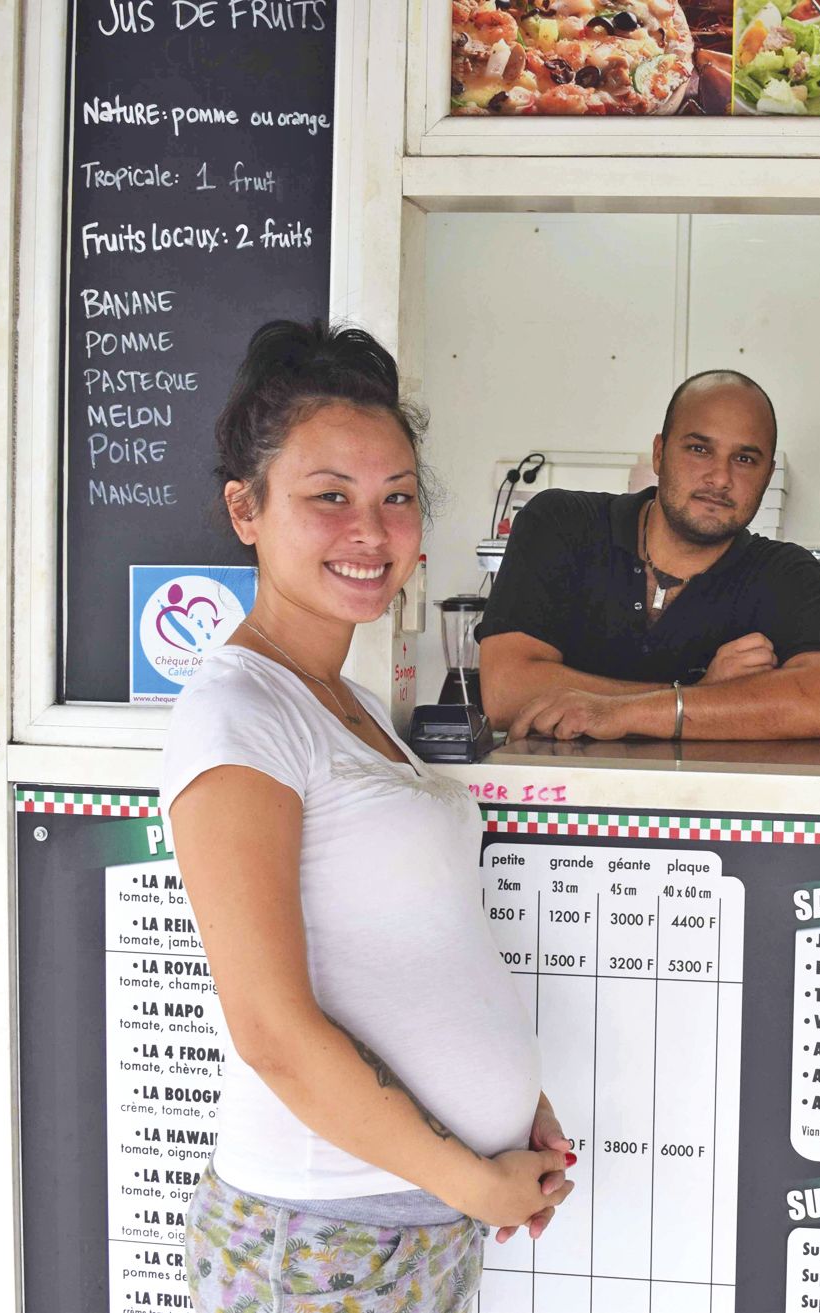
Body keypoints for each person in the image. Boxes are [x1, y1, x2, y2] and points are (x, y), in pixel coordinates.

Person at [162, 321, 573, 1312]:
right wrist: (471, 1174)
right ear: (244, 509)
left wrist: (511, 1114)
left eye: (395, 497)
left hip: (405, 1221)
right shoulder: (239, 712)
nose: (371, 529)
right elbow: (270, 1027)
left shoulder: (348, 707)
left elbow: (409, 945)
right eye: (329, 497)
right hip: (322, 1238)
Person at [477, 369, 820, 741]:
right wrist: (702, 694)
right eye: (699, 449)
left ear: (768, 475)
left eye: (745, 459)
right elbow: (507, 692)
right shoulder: (562, 523)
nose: (720, 478)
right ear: (659, 454)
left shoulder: (786, 573)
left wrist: (623, 711)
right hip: (552, 797)